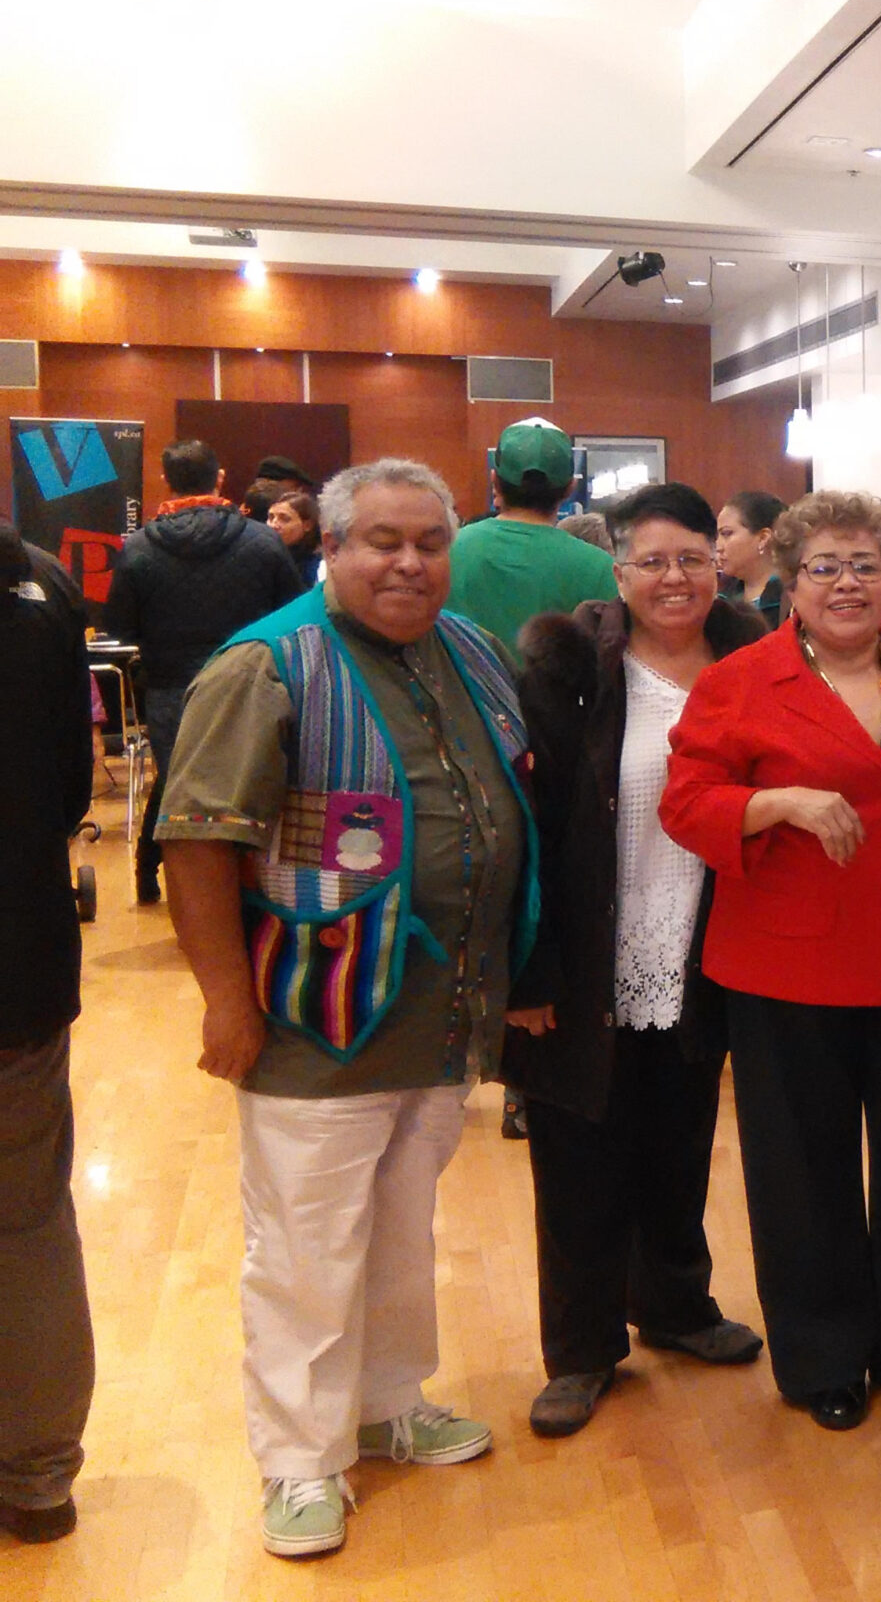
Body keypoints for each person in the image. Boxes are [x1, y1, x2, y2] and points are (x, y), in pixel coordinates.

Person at [156, 458, 535, 1560]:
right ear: (329, 548)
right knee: (303, 1246)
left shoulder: (468, 650)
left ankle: (384, 1405)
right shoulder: (264, 664)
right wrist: (227, 1000)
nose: (409, 562)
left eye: (428, 541)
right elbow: (196, 841)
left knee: (400, 1229)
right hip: (312, 1019)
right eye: (380, 540)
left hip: (436, 1012)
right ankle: (297, 1460)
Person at [660, 491, 881, 1433]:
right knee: (802, 1172)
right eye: (825, 567)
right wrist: (777, 806)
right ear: (790, 579)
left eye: (866, 566)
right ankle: (822, 1357)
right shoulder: (739, 681)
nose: (848, 584)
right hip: (784, 972)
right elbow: (685, 805)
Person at [504, 484, 767, 1439]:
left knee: (680, 1134)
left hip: (702, 945)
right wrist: (527, 971)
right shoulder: (569, 665)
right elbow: (529, 825)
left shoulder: (753, 656)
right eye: (651, 560)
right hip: (588, 943)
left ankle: (675, 1305)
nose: (674, 578)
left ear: (719, 561)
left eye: (692, 558)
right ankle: (578, 1351)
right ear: (616, 570)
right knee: (578, 1146)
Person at [0, 530, 98, 1544]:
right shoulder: (43, 606)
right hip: (17, 961)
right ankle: (36, 1474)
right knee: (25, 1220)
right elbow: (71, 792)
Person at [103, 438, 304, 905]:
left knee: (180, 788)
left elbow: (118, 625)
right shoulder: (263, 542)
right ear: (219, 477)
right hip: (251, 682)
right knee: (251, 784)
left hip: (171, 685)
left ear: (166, 481)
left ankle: (163, 880)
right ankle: (246, 892)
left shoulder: (137, 548)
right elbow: (295, 613)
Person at [444, 418, 616, 665]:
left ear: (494, 480)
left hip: (462, 702)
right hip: (560, 704)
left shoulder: (447, 552)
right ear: (571, 488)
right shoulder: (599, 567)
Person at [715, 489, 788, 631]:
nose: (718, 546)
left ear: (763, 538)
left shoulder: (792, 597)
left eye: (727, 534)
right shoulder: (721, 597)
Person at [266, 491, 324, 588]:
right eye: (271, 517)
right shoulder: (263, 555)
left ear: (307, 525)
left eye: (284, 519)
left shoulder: (319, 567)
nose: (274, 525)